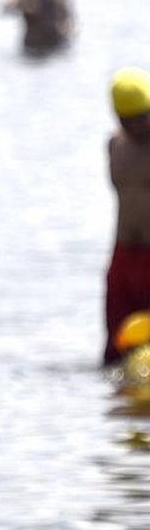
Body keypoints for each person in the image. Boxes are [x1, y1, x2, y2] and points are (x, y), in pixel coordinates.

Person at [105, 68, 150, 365]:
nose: (136, 127)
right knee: (116, 346)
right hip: (123, 255)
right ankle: (114, 405)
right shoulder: (114, 146)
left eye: (142, 118)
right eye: (127, 120)